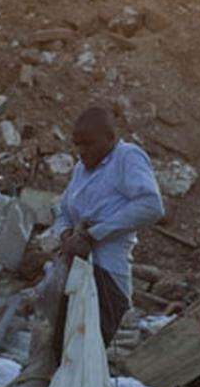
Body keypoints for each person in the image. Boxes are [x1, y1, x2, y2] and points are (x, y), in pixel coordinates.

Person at [54, 106, 164, 347]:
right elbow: (62, 211)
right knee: (62, 351)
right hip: (74, 271)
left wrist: (94, 234)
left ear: (110, 138)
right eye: (77, 144)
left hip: (105, 276)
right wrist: (66, 235)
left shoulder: (127, 157)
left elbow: (151, 205)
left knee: (86, 354)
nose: (82, 151)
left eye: (89, 144)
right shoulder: (80, 169)